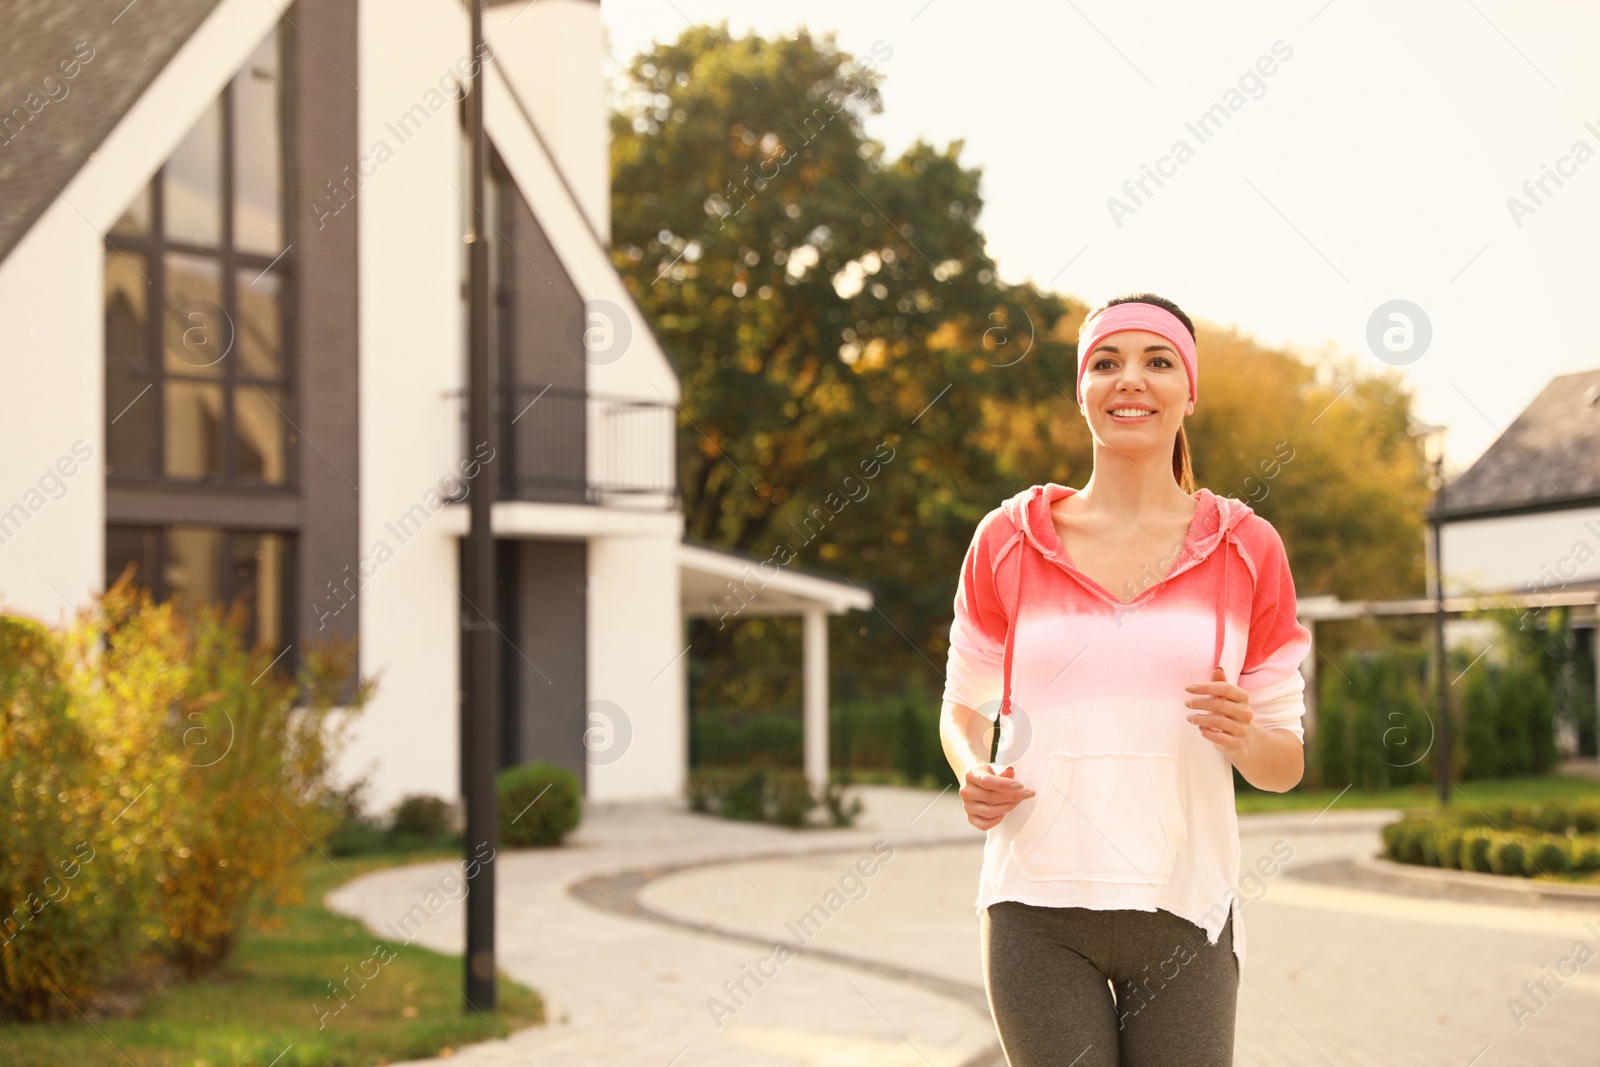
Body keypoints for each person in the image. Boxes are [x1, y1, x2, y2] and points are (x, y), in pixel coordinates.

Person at [938, 292, 1314, 1066]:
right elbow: (964, 705)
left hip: (1185, 911)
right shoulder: (1008, 539)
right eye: (1106, 363)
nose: (1129, 380)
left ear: (1189, 389)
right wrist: (971, 768)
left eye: (1157, 361)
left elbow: (1286, 764)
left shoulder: (1247, 548)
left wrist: (1245, 734)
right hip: (1035, 909)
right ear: (1082, 388)